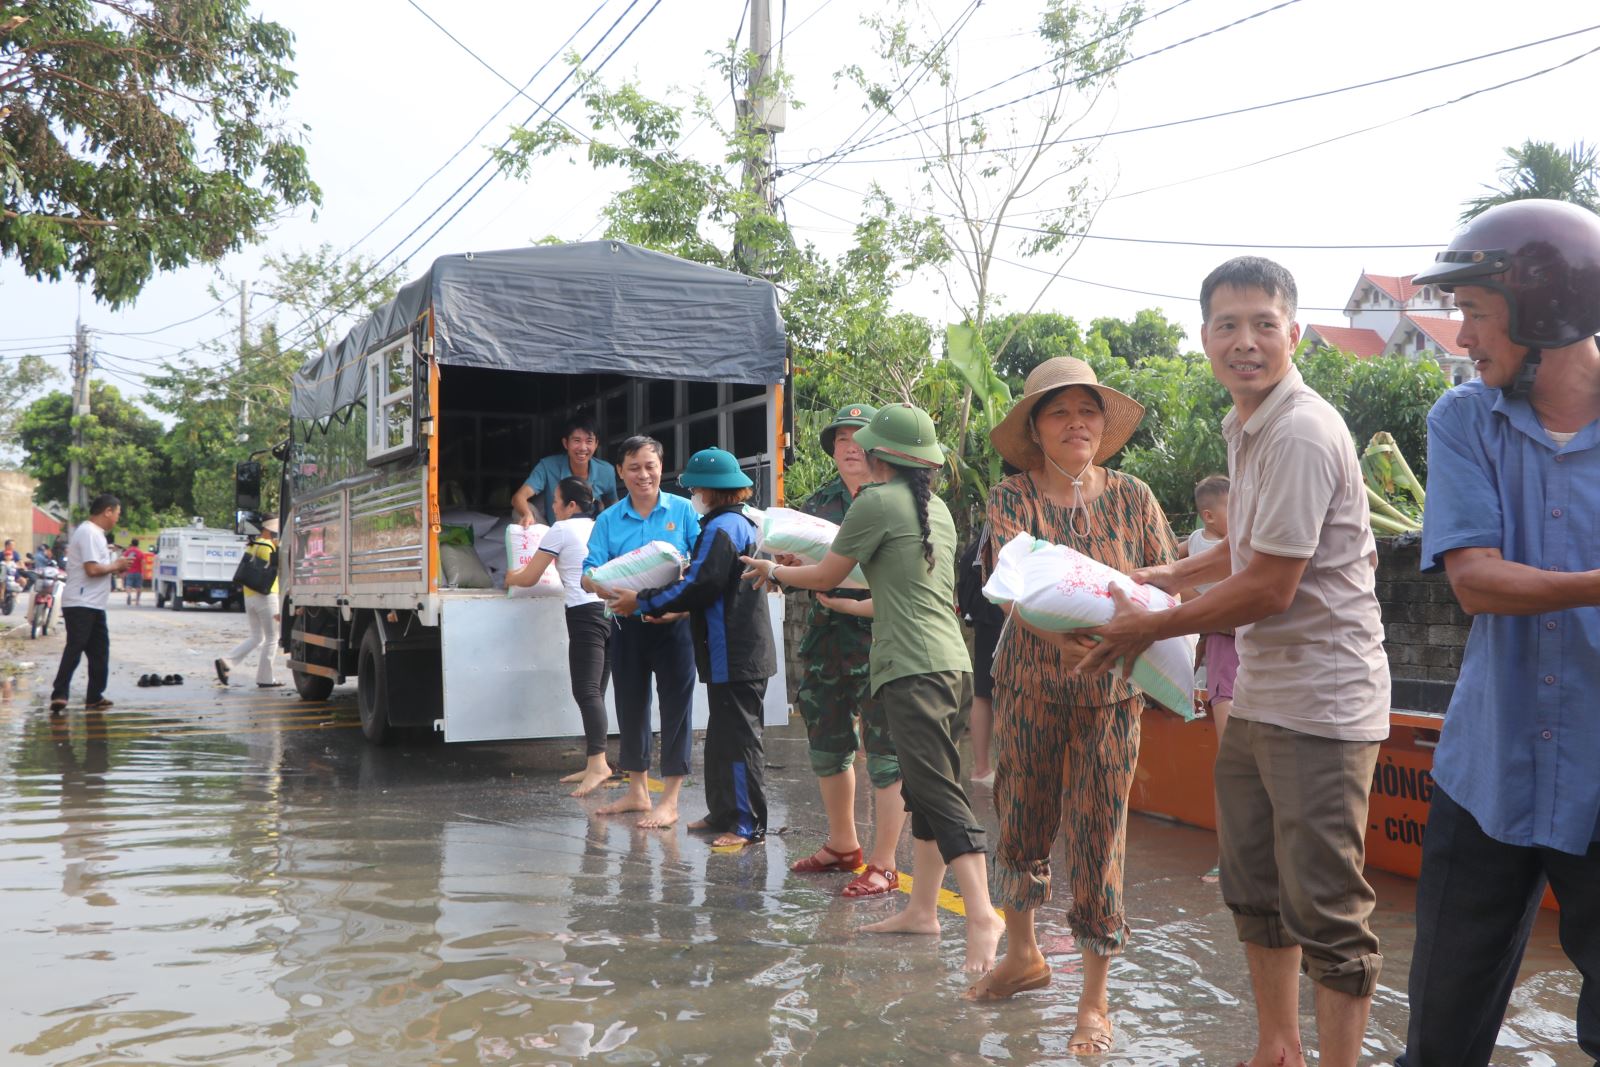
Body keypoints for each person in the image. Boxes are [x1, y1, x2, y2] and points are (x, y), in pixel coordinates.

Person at [1082, 257, 1390, 1067]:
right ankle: (1276, 1049)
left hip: (1322, 702)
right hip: (1259, 695)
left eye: (1263, 324)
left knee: (1328, 907)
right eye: (1227, 325)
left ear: (1295, 332)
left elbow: (1270, 585)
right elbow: (1242, 549)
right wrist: (1163, 576)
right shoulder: (1246, 425)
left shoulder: (1298, 428)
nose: (1245, 341)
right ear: (1205, 337)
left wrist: (1151, 625)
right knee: (1254, 889)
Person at [1396, 199, 1600, 1067]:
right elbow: (1477, 583)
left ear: (1544, 311)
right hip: (1488, 769)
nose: (1463, 336)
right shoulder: (1463, 421)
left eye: (1476, 313)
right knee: (1440, 1036)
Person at [740, 403, 1004, 975]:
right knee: (928, 792)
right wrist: (842, 595)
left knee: (938, 793)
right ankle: (923, 910)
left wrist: (774, 571)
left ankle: (982, 914)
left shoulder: (873, 503)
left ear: (880, 454)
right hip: (952, 666)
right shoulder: (937, 509)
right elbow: (897, 590)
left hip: (912, 670)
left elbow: (826, 574)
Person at [965, 359, 1178, 1057]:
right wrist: (1058, 638)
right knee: (1020, 820)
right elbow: (1011, 584)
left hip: (1112, 696)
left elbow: (1161, 584)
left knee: (1099, 837)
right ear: (1035, 427)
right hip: (1029, 685)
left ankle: (1093, 999)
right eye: (1060, 413)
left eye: (1088, 411)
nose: (1077, 423)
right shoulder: (1012, 497)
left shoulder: (1135, 497)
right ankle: (1023, 954)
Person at [606, 448, 776, 847]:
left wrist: (642, 600)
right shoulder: (732, 523)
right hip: (732, 649)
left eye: (698, 487)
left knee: (738, 739)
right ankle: (722, 812)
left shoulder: (723, 529)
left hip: (734, 650)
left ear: (710, 490)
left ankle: (746, 824)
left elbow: (698, 585)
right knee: (720, 736)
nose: (695, 493)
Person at [784, 404, 908, 897]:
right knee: (829, 746)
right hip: (827, 641)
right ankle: (842, 845)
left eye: (860, 437)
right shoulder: (817, 505)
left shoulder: (899, 500)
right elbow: (798, 574)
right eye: (841, 439)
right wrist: (789, 563)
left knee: (886, 753)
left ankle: (884, 862)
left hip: (884, 642)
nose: (850, 445)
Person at [582, 436, 699, 828]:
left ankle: (671, 800)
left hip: (674, 624)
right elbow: (588, 572)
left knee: (676, 711)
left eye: (650, 466)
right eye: (634, 468)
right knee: (630, 706)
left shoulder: (683, 512)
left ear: (662, 468)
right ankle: (637, 792)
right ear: (620, 472)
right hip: (626, 624)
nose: (643, 475)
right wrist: (597, 583)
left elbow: (701, 567)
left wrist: (680, 603)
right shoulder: (608, 519)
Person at [505, 477, 615, 797]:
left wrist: (509, 576)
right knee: (597, 690)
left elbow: (530, 576)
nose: (551, 507)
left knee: (586, 691)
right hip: (611, 613)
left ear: (570, 505)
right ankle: (595, 759)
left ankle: (598, 765)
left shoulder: (561, 530)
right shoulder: (600, 526)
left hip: (585, 616)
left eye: (555, 501)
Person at [1183, 474, 1235, 884]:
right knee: (1234, 758)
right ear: (1210, 515)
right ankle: (1230, 858)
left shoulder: (1250, 544)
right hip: (1225, 648)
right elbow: (1174, 569)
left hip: (1247, 648)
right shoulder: (1205, 545)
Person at [49, 495, 132, 714]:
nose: (117, 518)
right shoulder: (89, 532)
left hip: (93, 604)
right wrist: (116, 565)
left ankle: (94, 697)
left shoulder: (97, 535)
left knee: (99, 652)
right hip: (81, 602)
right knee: (75, 647)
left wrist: (116, 567)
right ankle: (59, 693)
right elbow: (92, 569)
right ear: (107, 511)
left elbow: (100, 567)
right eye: (117, 513)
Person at [513, 416, 619, 527]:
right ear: (565, 443)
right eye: (577, 440)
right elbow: (519, 497)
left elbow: (614, 506)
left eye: (589, 441)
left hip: (591, 537)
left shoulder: (606, 471)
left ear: (596, 444)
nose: (583, 447)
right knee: (519, 511)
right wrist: (527, 514)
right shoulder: (548, 466)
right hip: (553, 535)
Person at [214, 519, 283, 688]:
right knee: (273, 638)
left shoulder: (252, 544)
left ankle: (227, 662)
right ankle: (265, 679)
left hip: (249, 597)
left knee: (257, 637)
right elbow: (277, 568)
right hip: (266, 597)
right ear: (268, 529)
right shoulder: (268, 545)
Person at [122, 538, 147, 607]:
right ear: (138, 544)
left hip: (129, 571)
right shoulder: (140, 552)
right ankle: (137, 601)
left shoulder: (127, 552)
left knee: (128, 585)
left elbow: (123, 561)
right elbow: (143, 563)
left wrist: (123, 571)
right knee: (138, 587)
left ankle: (129, 594)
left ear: (131, 543)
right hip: (138, 572)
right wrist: (143, 573)